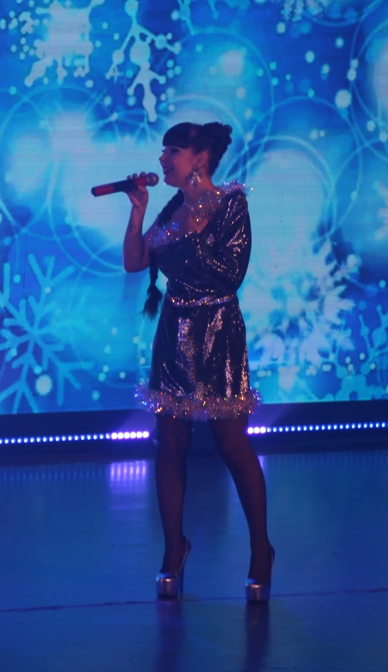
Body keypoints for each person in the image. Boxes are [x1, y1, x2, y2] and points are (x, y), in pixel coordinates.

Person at [122, 122, 273, 602]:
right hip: (174, 334)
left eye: (173, 150)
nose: (163, 159)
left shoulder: (231, 204)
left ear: (200, 158)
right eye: (163, 150)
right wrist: (138, 213)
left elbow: (229, 274)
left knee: (233, 445)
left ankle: (261, 549)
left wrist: (180, 241)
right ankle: (174, 548)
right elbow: (135, 261)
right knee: (170, 444)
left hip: (218, 334)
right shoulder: (171, 208)